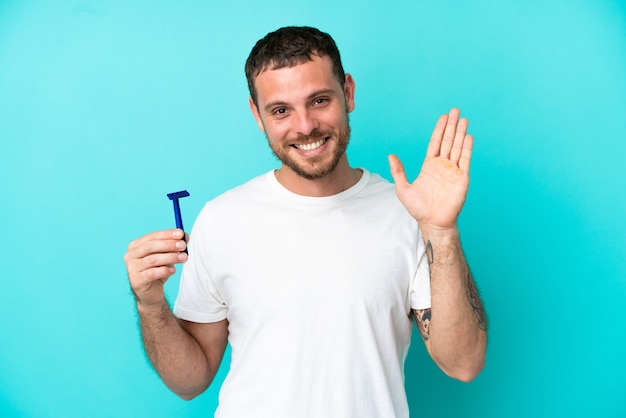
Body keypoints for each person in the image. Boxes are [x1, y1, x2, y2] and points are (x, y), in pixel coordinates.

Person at [124, 26, 487, 418]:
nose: (304, 126)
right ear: (257, 114)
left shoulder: (407, 213)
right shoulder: (222, 219)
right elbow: (189, 381)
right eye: (281, 110)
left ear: (347, 92)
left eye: (318, 100)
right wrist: (150, 305)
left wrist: (441, 232)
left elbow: (463, 363)